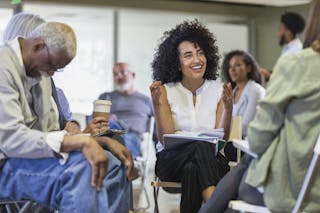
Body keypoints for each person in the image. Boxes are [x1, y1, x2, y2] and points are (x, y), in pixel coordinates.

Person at [0, 20, 133, 212]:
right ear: (38, 46)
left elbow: (51, 133)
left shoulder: (40, 71)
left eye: (57, 68)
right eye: (52, 65)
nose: (52, 73)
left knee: (113, 163)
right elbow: (11, 140)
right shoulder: (4, 66)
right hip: (5, 163)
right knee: (84, 170)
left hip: (30, 157)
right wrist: (83, 143)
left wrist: (99, 142)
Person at [199, 0, 320, 212]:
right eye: (231, 66)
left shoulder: (298, 63)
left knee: (239, 171)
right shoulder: (233, 90)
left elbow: (258, 138)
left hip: (296, 192)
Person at [150, 20, 232, 213]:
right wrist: (157, 105)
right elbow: (165, 139)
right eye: (188, 55)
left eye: (200, 52)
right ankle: (214, 206)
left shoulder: (219, 90)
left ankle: (210, 207)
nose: (197, 60)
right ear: (177, 63)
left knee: (192, 168)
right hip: (171, 161)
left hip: (212, 162)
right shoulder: (164, 91)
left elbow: (223, 139)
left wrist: (228, 108)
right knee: (199, 147)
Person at [98, 62, 153, 158]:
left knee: (118, 139)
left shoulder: (146, 100)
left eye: (123, 72)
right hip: (107, 132)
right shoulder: (105, 97)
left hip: (132, 137)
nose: (119, 76)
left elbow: (157, 131)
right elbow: (94, 122)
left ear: (133, 75)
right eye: (115, 74)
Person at [221, 50, 265, 160]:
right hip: (233, 141)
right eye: (230, 66)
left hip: (248, 144)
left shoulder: (255, 91)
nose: (232, 69)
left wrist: (225, 132)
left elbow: (245, 127)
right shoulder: (233, 91)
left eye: (238, 65)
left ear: (249, 68)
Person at [260, 11, 305, 82]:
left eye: (280, 29)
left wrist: (268, 75)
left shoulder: (295, 51)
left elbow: (289, 79)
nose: (278, 33)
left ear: (288, 32)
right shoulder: (288, 48)